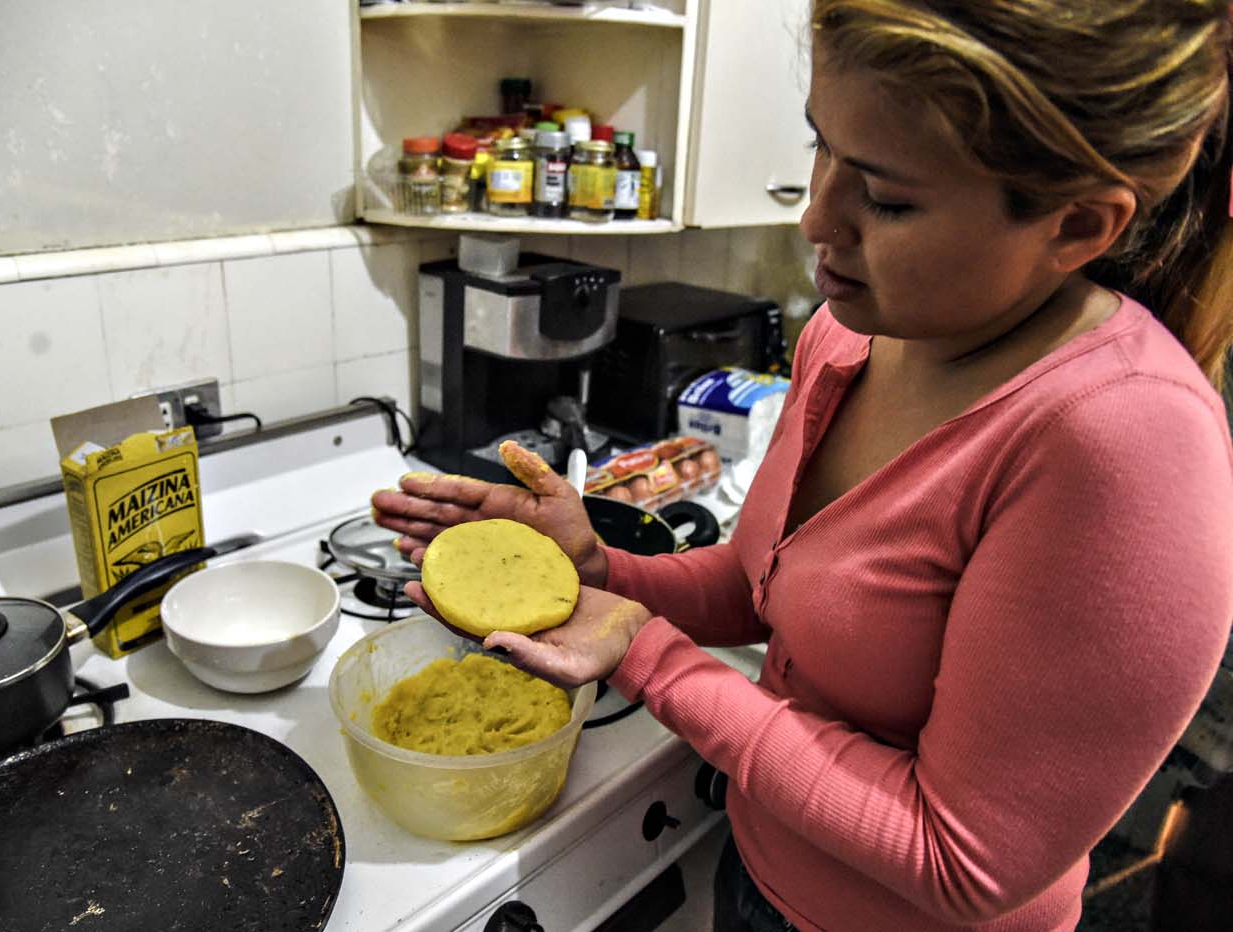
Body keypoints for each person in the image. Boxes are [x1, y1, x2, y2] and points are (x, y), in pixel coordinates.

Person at [372, 1, 1233, 929]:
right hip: (762, 874)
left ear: (1077, 225)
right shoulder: (851, 338)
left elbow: (964, 861)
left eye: (888, 198)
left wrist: (644, 652)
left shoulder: (1121, 446)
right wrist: (600, 573)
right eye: (820, 146)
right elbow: (759, 588)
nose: (817, 219)